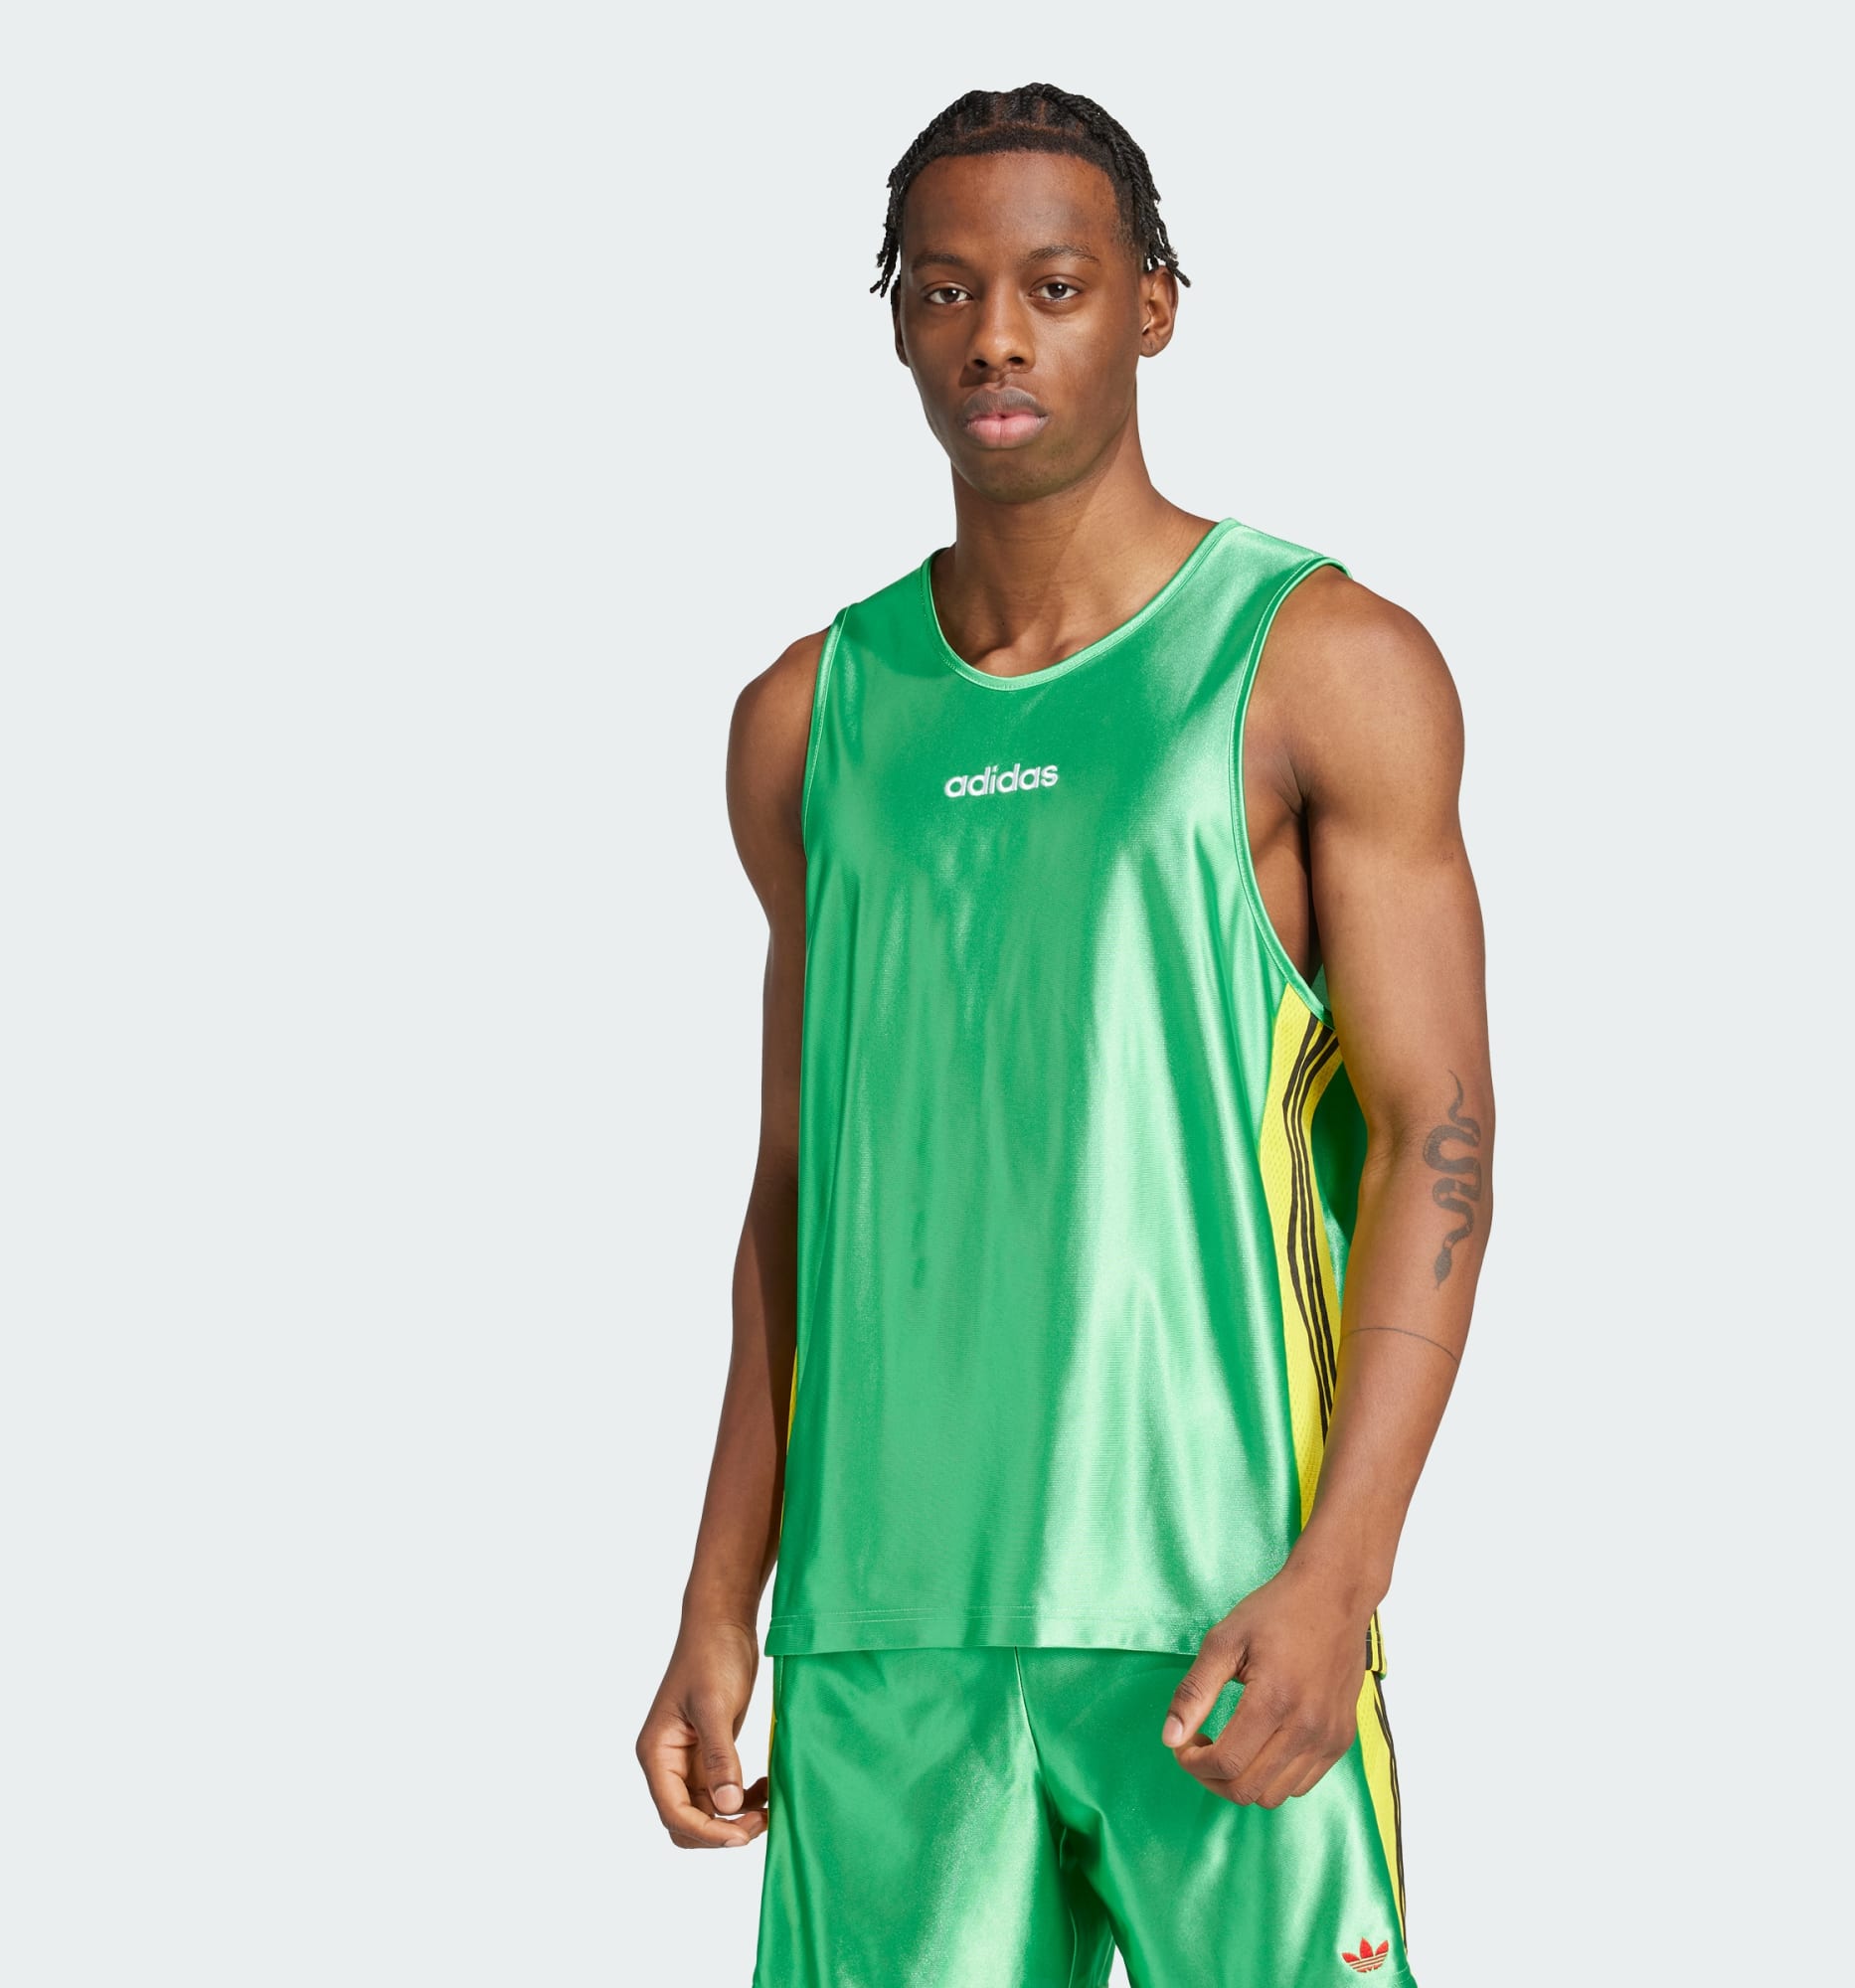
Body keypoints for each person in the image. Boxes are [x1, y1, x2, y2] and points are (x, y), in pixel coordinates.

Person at [635, 82, 1495, 1988]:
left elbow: (1440, 1141)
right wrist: (720, 1600)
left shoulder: (1322, 663)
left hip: (1220, 1613)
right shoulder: (811, 717)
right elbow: (800, 1186)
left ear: (1153, 305)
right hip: (883, 1634)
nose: (996, 339)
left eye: (1054, 286)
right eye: (944, 291)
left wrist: (1342, 1573)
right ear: (896, 322)